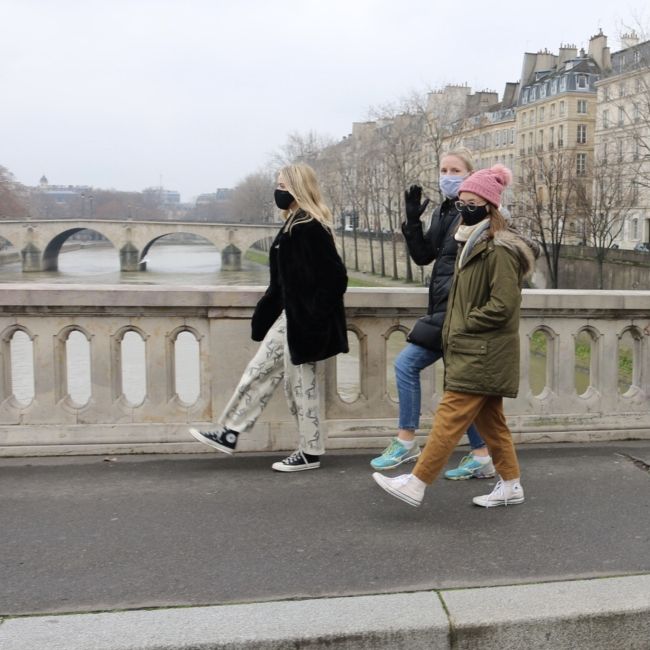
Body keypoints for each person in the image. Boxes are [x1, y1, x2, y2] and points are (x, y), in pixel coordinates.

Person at [372, 164, 536, 508]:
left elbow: (504, 306)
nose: (462, 210)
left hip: (482, 350)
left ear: (489, 207)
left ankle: (416, 482)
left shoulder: (499, 249)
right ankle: (511, 484)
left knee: (449, 417)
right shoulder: (472, 244)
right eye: (460, 204)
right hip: (474, 347)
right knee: (492, 423)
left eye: (470, 203)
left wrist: (462, 326)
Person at [189, 163, 348, 472]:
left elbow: (336, 279)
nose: (278, 191)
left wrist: (313, 319)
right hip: (293, 318)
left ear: (299, 189)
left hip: (307, 323)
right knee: (259, 371)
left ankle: (309, 451)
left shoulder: (310, 228)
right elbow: (282, 283)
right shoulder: (292, 226)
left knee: (302, 387)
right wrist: (265, 317)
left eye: (283, 186)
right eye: (278, 184)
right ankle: (229, 432)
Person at [370, 149, 495, 481]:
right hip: (442, 310)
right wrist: (412, 222)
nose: (447, 175)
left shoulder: (476, 215)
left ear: (471, 175)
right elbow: (424, 256)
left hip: (458, 313)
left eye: (455, 170)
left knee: (408, 364)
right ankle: (483, 455)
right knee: (461, 388)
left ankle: (406, 439)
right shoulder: (447, 210)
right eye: (443, 169)